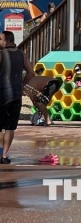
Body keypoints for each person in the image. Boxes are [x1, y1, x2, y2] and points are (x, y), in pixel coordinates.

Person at [0, 31, 34, 163]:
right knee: (10, 127)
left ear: (7, 41)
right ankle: (4, 156)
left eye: (0, 39)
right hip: (16, 95)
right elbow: (31, 73)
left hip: (2, 94)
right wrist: (22, 84)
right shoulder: (22, 55)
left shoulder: (2, 54)